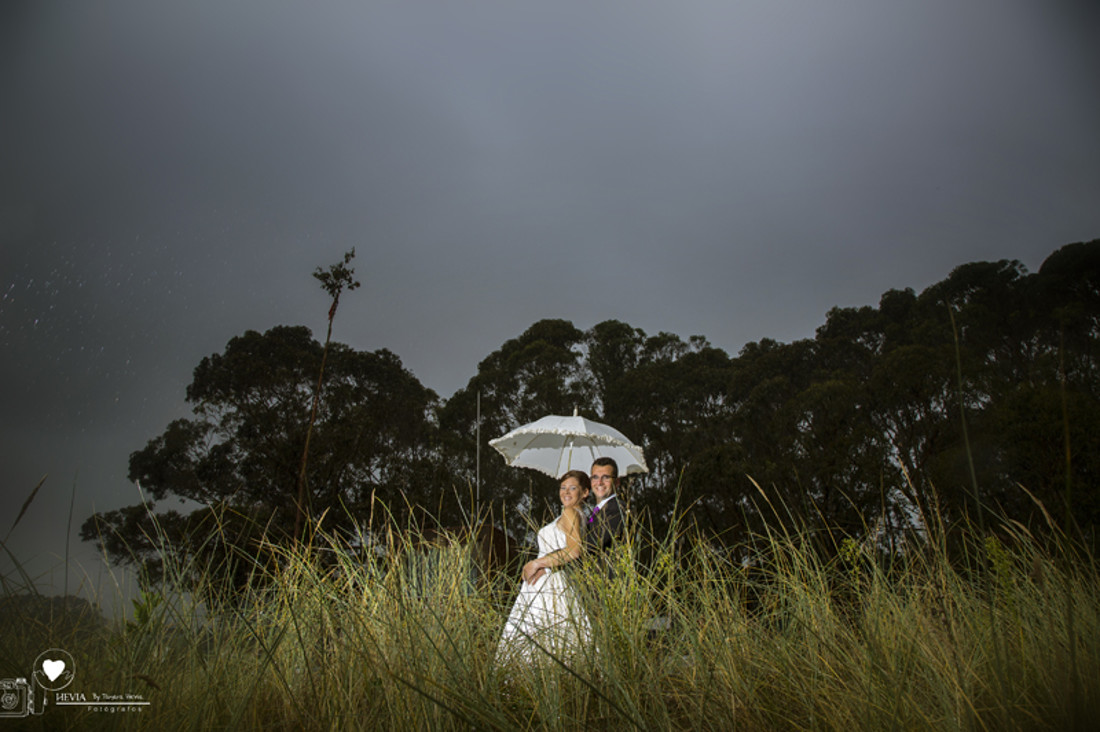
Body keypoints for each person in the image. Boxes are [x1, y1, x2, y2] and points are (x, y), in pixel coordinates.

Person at [496, 470, 592, 664]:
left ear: (585, 493)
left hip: (549, 583)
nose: (566, 492)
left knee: (537, 633)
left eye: (573, 488)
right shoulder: (581, 516)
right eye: (563, 487)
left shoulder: (571, 512)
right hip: (555, 579)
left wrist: (537, 563)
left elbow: (574, 551)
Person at [584, 457, 623, 564]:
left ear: (617, 482)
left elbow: (591, 544)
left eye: (606, 478)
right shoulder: (596, 511)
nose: (599, 482)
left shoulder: (617, 510)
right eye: (595, 477)